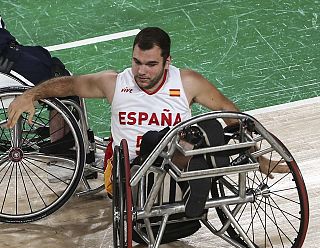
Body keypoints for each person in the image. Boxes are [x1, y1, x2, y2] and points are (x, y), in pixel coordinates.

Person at [6, 27, 288, 217]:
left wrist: (254, 157)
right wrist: (32, 94)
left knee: (207, 127)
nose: (141, 71)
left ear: (167, 62)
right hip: (131, 175)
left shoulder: (187, 82)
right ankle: (202, 166)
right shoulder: (114, 83)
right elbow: (70, 85)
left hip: (179, 171)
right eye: (137, 62)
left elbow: (231, 114)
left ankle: (200, 167)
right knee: (157, 140)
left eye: (150, 64)